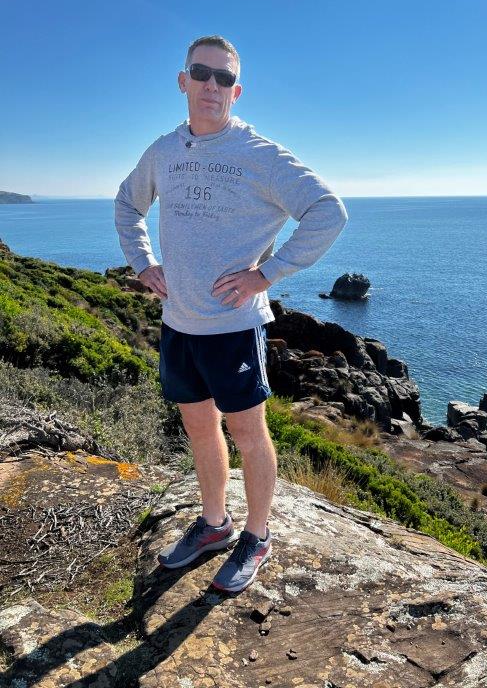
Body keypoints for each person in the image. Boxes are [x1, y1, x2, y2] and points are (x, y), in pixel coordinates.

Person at [114, 35, 348, 593]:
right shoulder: (164, 151)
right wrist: (143, 264)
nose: (211, 86)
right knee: (199, 427)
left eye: (224, 78)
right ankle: (214, 524)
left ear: (236, 92)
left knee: (248, 432)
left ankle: (257, 536)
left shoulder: (259, 154)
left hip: (234, 327)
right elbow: (127, 204)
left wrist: (267, 274)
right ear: (183, 81)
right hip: (178, 322)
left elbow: (328, 211)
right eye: (202, 73)